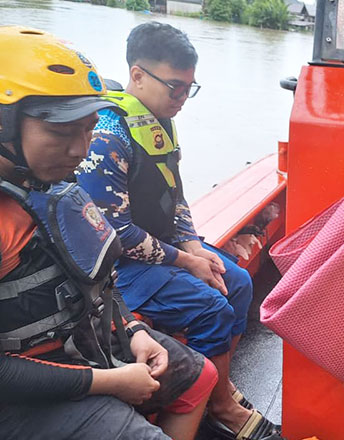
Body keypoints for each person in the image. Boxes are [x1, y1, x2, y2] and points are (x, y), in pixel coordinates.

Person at [0, 26, 218, 440]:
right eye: (62, 133)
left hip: (80, 343)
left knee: (198, 377)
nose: (82, 150)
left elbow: (97, 281)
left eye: (87, 128)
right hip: (20, 389)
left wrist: (133, 330)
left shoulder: (56, 188)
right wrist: (107, 383)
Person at [75, 22, 281, 440]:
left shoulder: (159, 122)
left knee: (238, 281)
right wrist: (186, 260)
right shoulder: (107, 135)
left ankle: (218, 389)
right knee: (213, 307)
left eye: (190, 88)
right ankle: (218, 405)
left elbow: (176, 194)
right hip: (119, 267)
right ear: (137, 76)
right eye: (175, 87)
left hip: (164, 248)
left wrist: (191, 244)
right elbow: (114, 232)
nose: (183, 99)